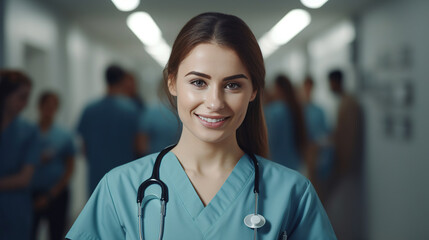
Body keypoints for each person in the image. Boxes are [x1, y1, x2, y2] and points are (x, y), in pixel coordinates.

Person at [66, 12, 336, 240]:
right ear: (172, 82)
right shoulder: (120, 188)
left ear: (254, 90)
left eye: (232, 85)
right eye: (198, 82)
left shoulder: (293, 194)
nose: (215, 102)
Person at [76, 64, 143, 194]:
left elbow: (84, 149)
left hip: (97, 179)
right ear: (123, 81)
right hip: (124, 178)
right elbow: (139, 147)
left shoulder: (89, 109)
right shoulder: (132, 111)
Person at [0, 70, 40, 240]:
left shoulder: (28, 132)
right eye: (22, 97)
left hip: (15, 210)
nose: (25, 104)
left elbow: (24, 178)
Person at [31, 91, 76, 240]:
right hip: (31, 194)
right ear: (39, 106)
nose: (49, 110)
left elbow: (70, 168)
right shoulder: (28, 133)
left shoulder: (64, 135)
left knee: (56, 233)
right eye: (46, 106)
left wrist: (51, 194)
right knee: (29, 232)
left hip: (57, 194)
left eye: (53, 107)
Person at [325, 69, 364, 240]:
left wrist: (342, 164)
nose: (329, 87)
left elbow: (348, 138)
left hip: (344, 164)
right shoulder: (344, 102)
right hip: (341, 163)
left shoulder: (349, 104)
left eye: (331, 83)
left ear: (336, 82)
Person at [264, 75, 307, 172]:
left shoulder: (274, 110)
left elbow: (269, 140)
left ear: (278, 88)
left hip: (279, 165)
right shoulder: (295, 108)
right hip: (295, 164)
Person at [301, 76, 333, 203]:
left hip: (316, 157)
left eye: (310, 88)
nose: (308, 91)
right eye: (305, 88)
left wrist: (317, 144)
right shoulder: (297, 111)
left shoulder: (319, 111)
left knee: (316, 196)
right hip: (301, 156)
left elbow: (326, 136)